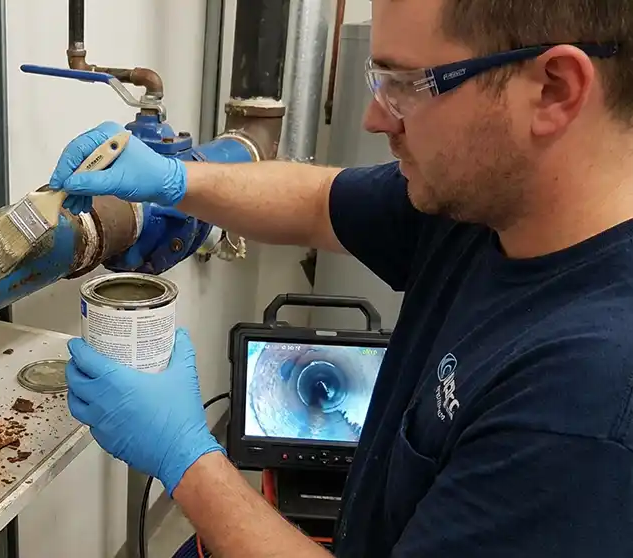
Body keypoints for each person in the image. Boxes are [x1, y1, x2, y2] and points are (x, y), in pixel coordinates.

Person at [48, 0, 633, 556]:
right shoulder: (490, 204)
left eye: (407, 85)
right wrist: (178, 180)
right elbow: (319, 203)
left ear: (554, 89)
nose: (374, 117)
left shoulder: (583, 409)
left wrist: (186, 459)